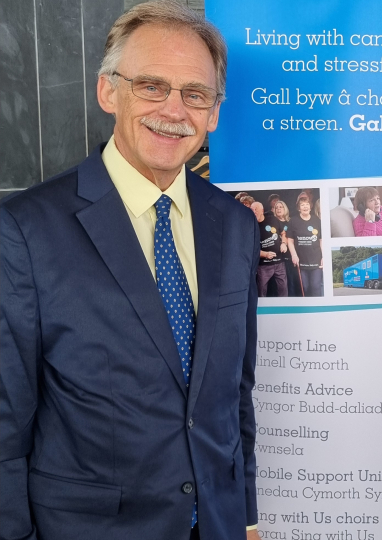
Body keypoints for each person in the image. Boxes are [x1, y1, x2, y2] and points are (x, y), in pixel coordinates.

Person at [0, 3, 260, 540]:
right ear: (107, 91)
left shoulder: (235, 226)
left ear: (213, 112)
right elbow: (5, 420)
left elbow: (234, 395)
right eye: (150, 85)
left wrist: (247, 516)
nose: (174, 109)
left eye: (195, 94)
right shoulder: (24, 230)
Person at [286, 194, 323, 297]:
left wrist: (323, 256)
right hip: (301, 261)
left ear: (310, 207)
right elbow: (290, 241)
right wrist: (294, 255)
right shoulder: (293, 221)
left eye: (307, 204)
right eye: (302, 205)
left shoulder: (317, 221)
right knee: (305, 287)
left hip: (316, 260)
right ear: (299, 208)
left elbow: (321, 240)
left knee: (316, 286)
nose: (305, 207)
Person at [252, 202, 288, 297]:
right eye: (252, 210)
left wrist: (284, 243)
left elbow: (283, 233)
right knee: (261, 291)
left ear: (262, 211)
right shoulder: (251, 226)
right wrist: (264, 254)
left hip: (279, 262)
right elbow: (250, 249)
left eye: (256, 209)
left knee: (283, 289)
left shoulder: (273, 219)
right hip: (263, 265)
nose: (254, 211)